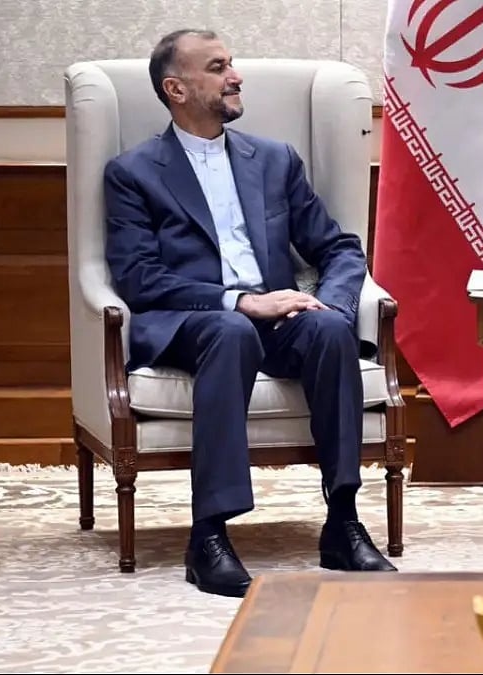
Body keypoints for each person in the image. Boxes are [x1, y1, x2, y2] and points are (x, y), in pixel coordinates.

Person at [103, 29, 397, 598]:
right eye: (218, 67)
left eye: (232, 64)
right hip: (197, 322)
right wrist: (238, 300)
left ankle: (342, 523)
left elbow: (338, 248)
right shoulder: (133, 173)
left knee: (332, 329)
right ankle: (208, 536)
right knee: (232, 330)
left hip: (278, 319)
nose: (236, 76)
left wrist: (326, 303)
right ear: (177, 88)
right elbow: (139, 279)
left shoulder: (274, 160)